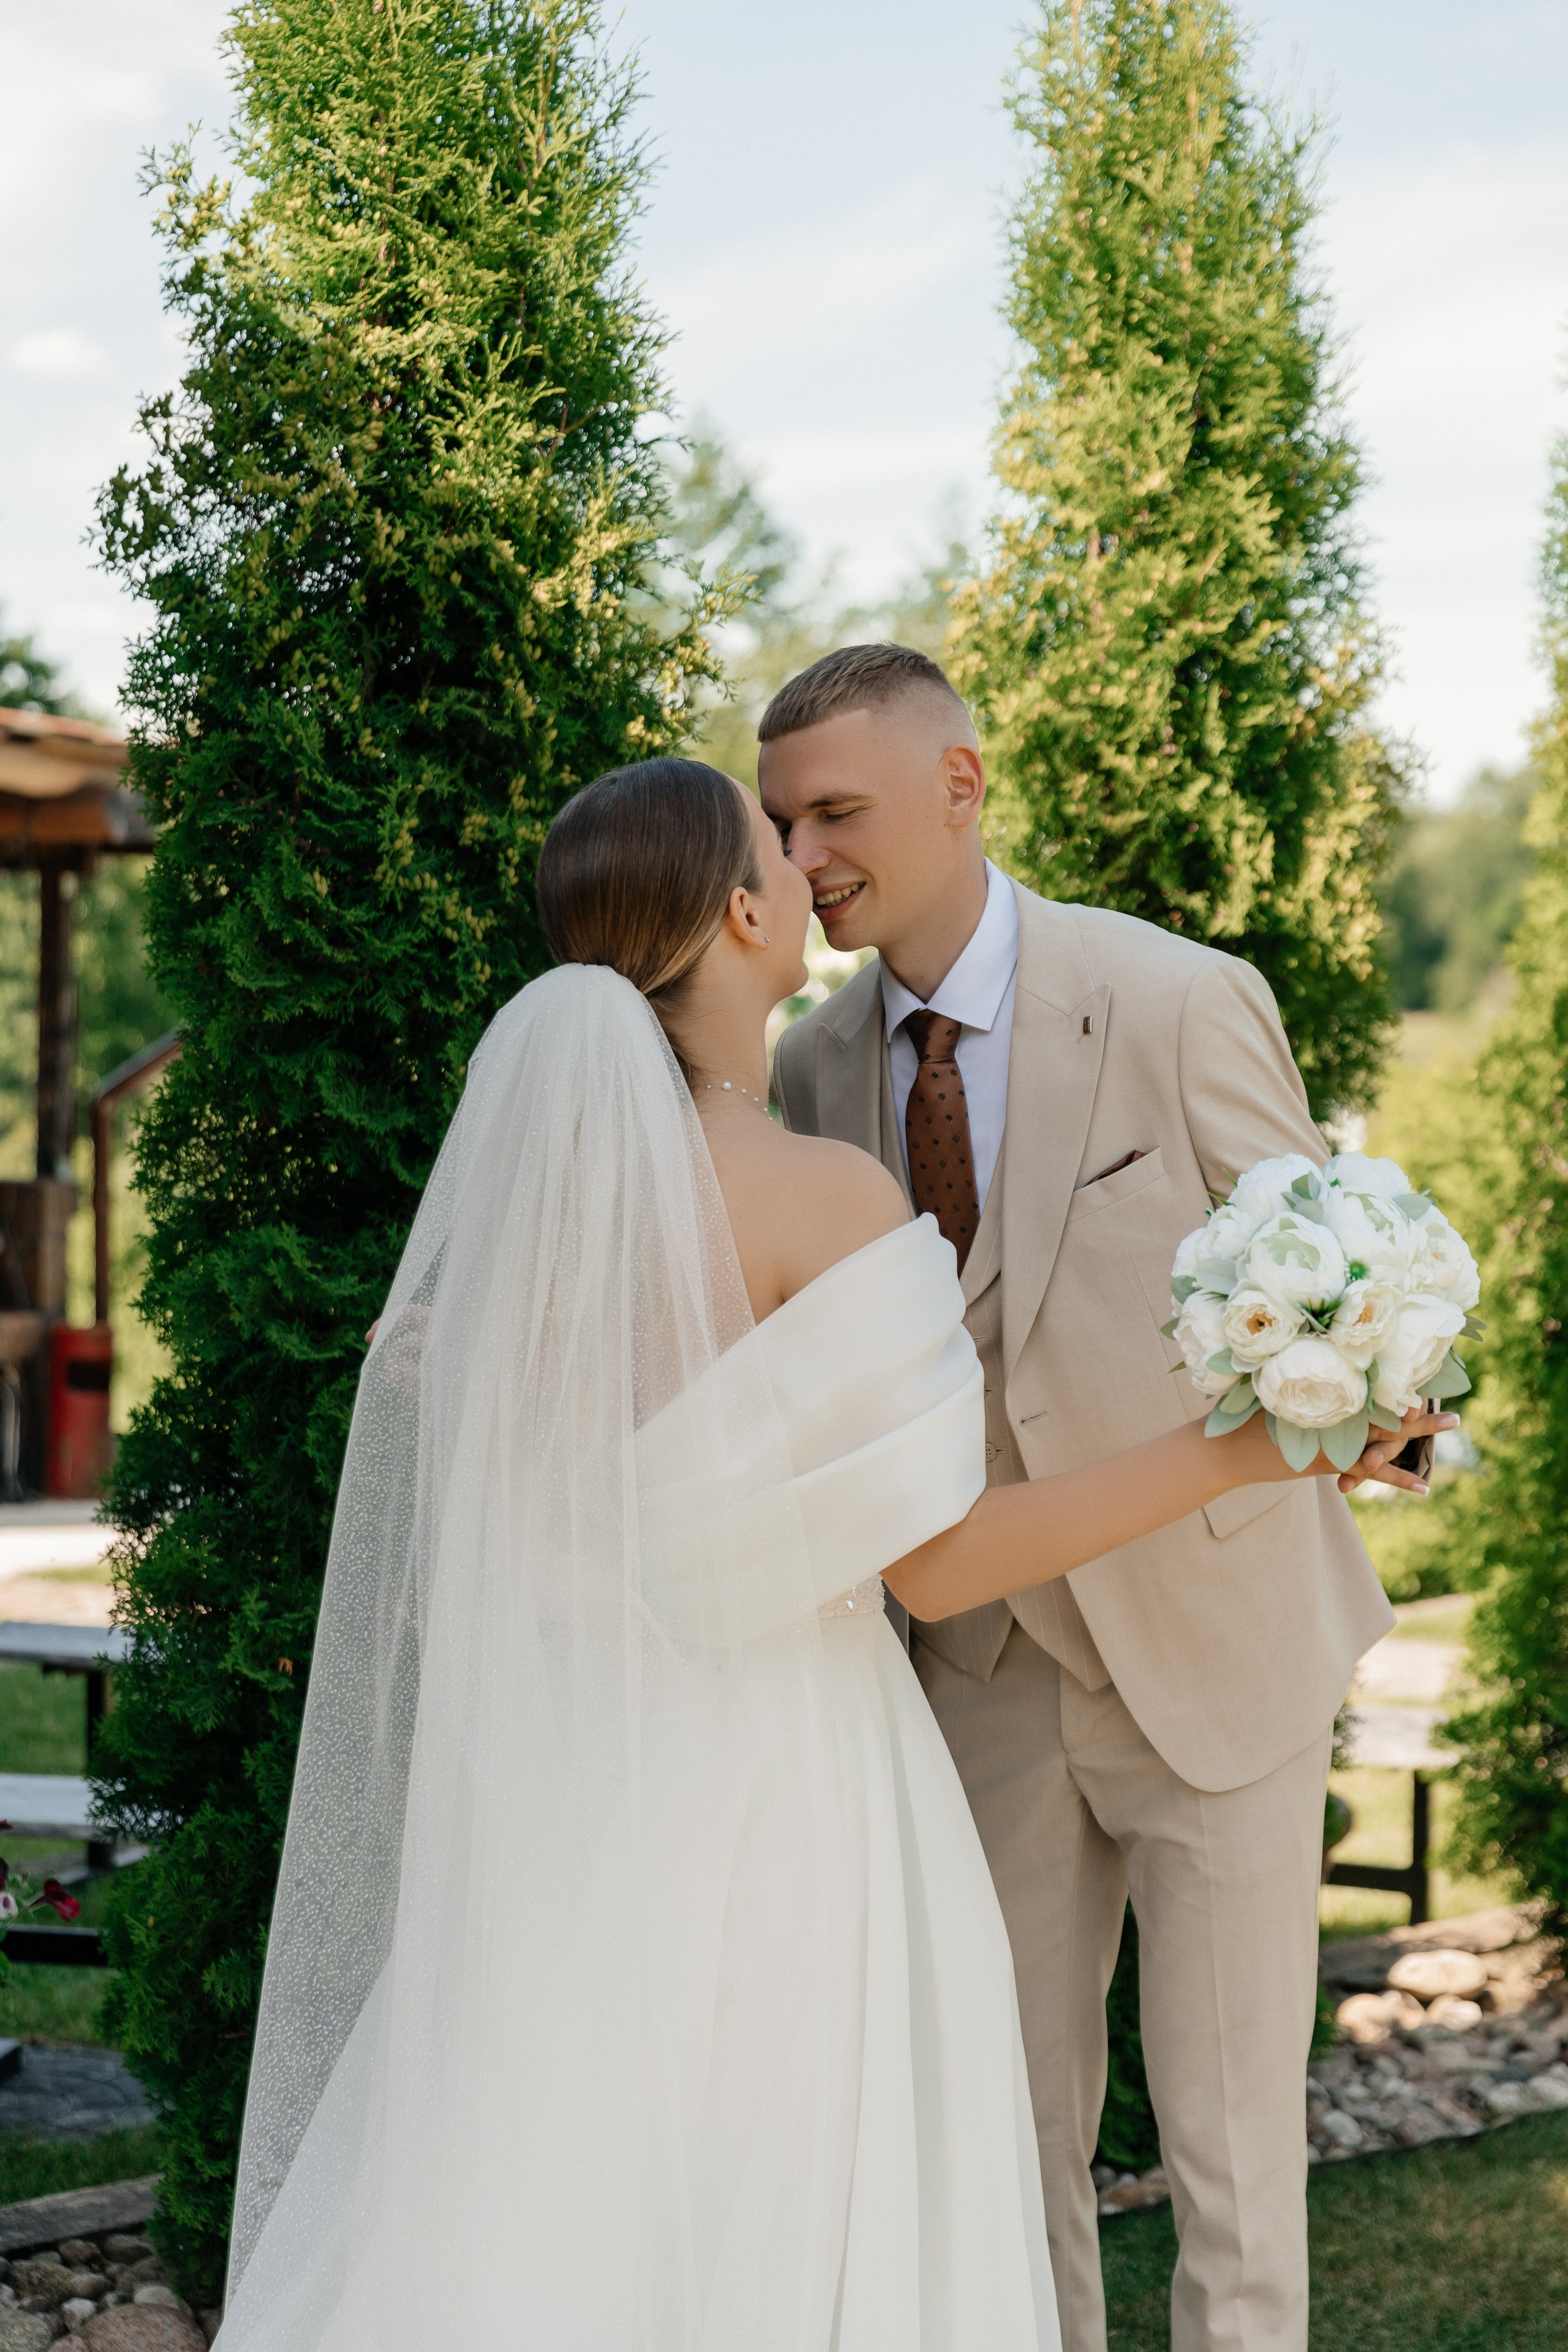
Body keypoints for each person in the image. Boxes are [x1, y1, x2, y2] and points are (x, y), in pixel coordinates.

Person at [215, 757, 1444, 2352]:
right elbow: (942, 1564)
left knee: (575, 2206)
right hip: (805, 1794)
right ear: (739, 914)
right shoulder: (821, 1194)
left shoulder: (542, 1236)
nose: (806, 872)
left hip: (600, 1807)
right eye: (774, 855)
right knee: (812, 2223)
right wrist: (1264, 1438)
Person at [763, 643, 1408, 2352]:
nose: (807, 851)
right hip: (982, 1680)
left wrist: (1393, 1398)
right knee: (1004, 2157)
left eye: (840, 809)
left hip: (1225, 1650)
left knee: (1234, 2172)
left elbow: (1332, 1282)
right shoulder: (814, 1067)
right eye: (782, 821)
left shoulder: (1178, 996)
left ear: (961, 784)